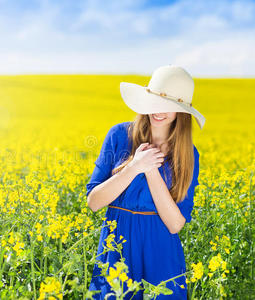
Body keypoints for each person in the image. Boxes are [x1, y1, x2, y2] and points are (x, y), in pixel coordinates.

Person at [86, 65, 206, 299]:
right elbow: (94, 202)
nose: (159, 111)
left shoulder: (188, 154)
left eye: (169, 106)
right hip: (117, 245)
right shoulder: (119, 135)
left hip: (160, 251)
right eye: (155, 101)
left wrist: (151, 171)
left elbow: (175, 224)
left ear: (181, 112)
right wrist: (135, 167)